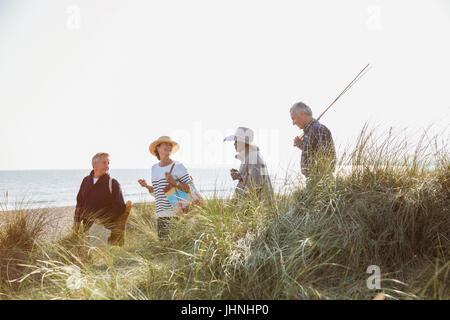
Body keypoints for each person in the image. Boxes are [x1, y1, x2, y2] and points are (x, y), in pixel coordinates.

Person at [138, 136, 195, 239]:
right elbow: (159, 193)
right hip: (160, 215)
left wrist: (174, 182)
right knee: (164, 250)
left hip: (176, 214)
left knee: (176, 248)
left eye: (170, 145)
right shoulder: (154, 168)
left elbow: (191, 188)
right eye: (166, 144)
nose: (169, 146)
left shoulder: (178, 166)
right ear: (157, 148)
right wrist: (147, 187)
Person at [73, 152, 131, 245]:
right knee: (88, 256)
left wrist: (102, 219)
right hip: (86, 228)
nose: (107, 166)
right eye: (104, 162)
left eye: (108, 163)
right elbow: (79, 203)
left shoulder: (113, 183)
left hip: (104, 229)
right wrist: (76, 222)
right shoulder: (85, 181)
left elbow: (119, 207)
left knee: (99, 257)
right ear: (94, 164)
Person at [224, 127, 274, 201]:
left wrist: (240, 177)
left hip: (259, 208)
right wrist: (239, 176)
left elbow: (254, 185)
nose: (234, 144)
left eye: (236, 141)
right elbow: (251, 178)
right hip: (256, 206)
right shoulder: (249, 156)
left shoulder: (253, 157)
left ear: (242, 143)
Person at [290, 102, 336, 180]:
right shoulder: (310, 131)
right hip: (312, 180)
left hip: (320, 182)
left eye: (294, 118)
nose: (293, 123)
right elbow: (313, 152)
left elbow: (325, 159)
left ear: (302, 113)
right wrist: (301, 145)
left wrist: (317, 183)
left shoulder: (319, 129)